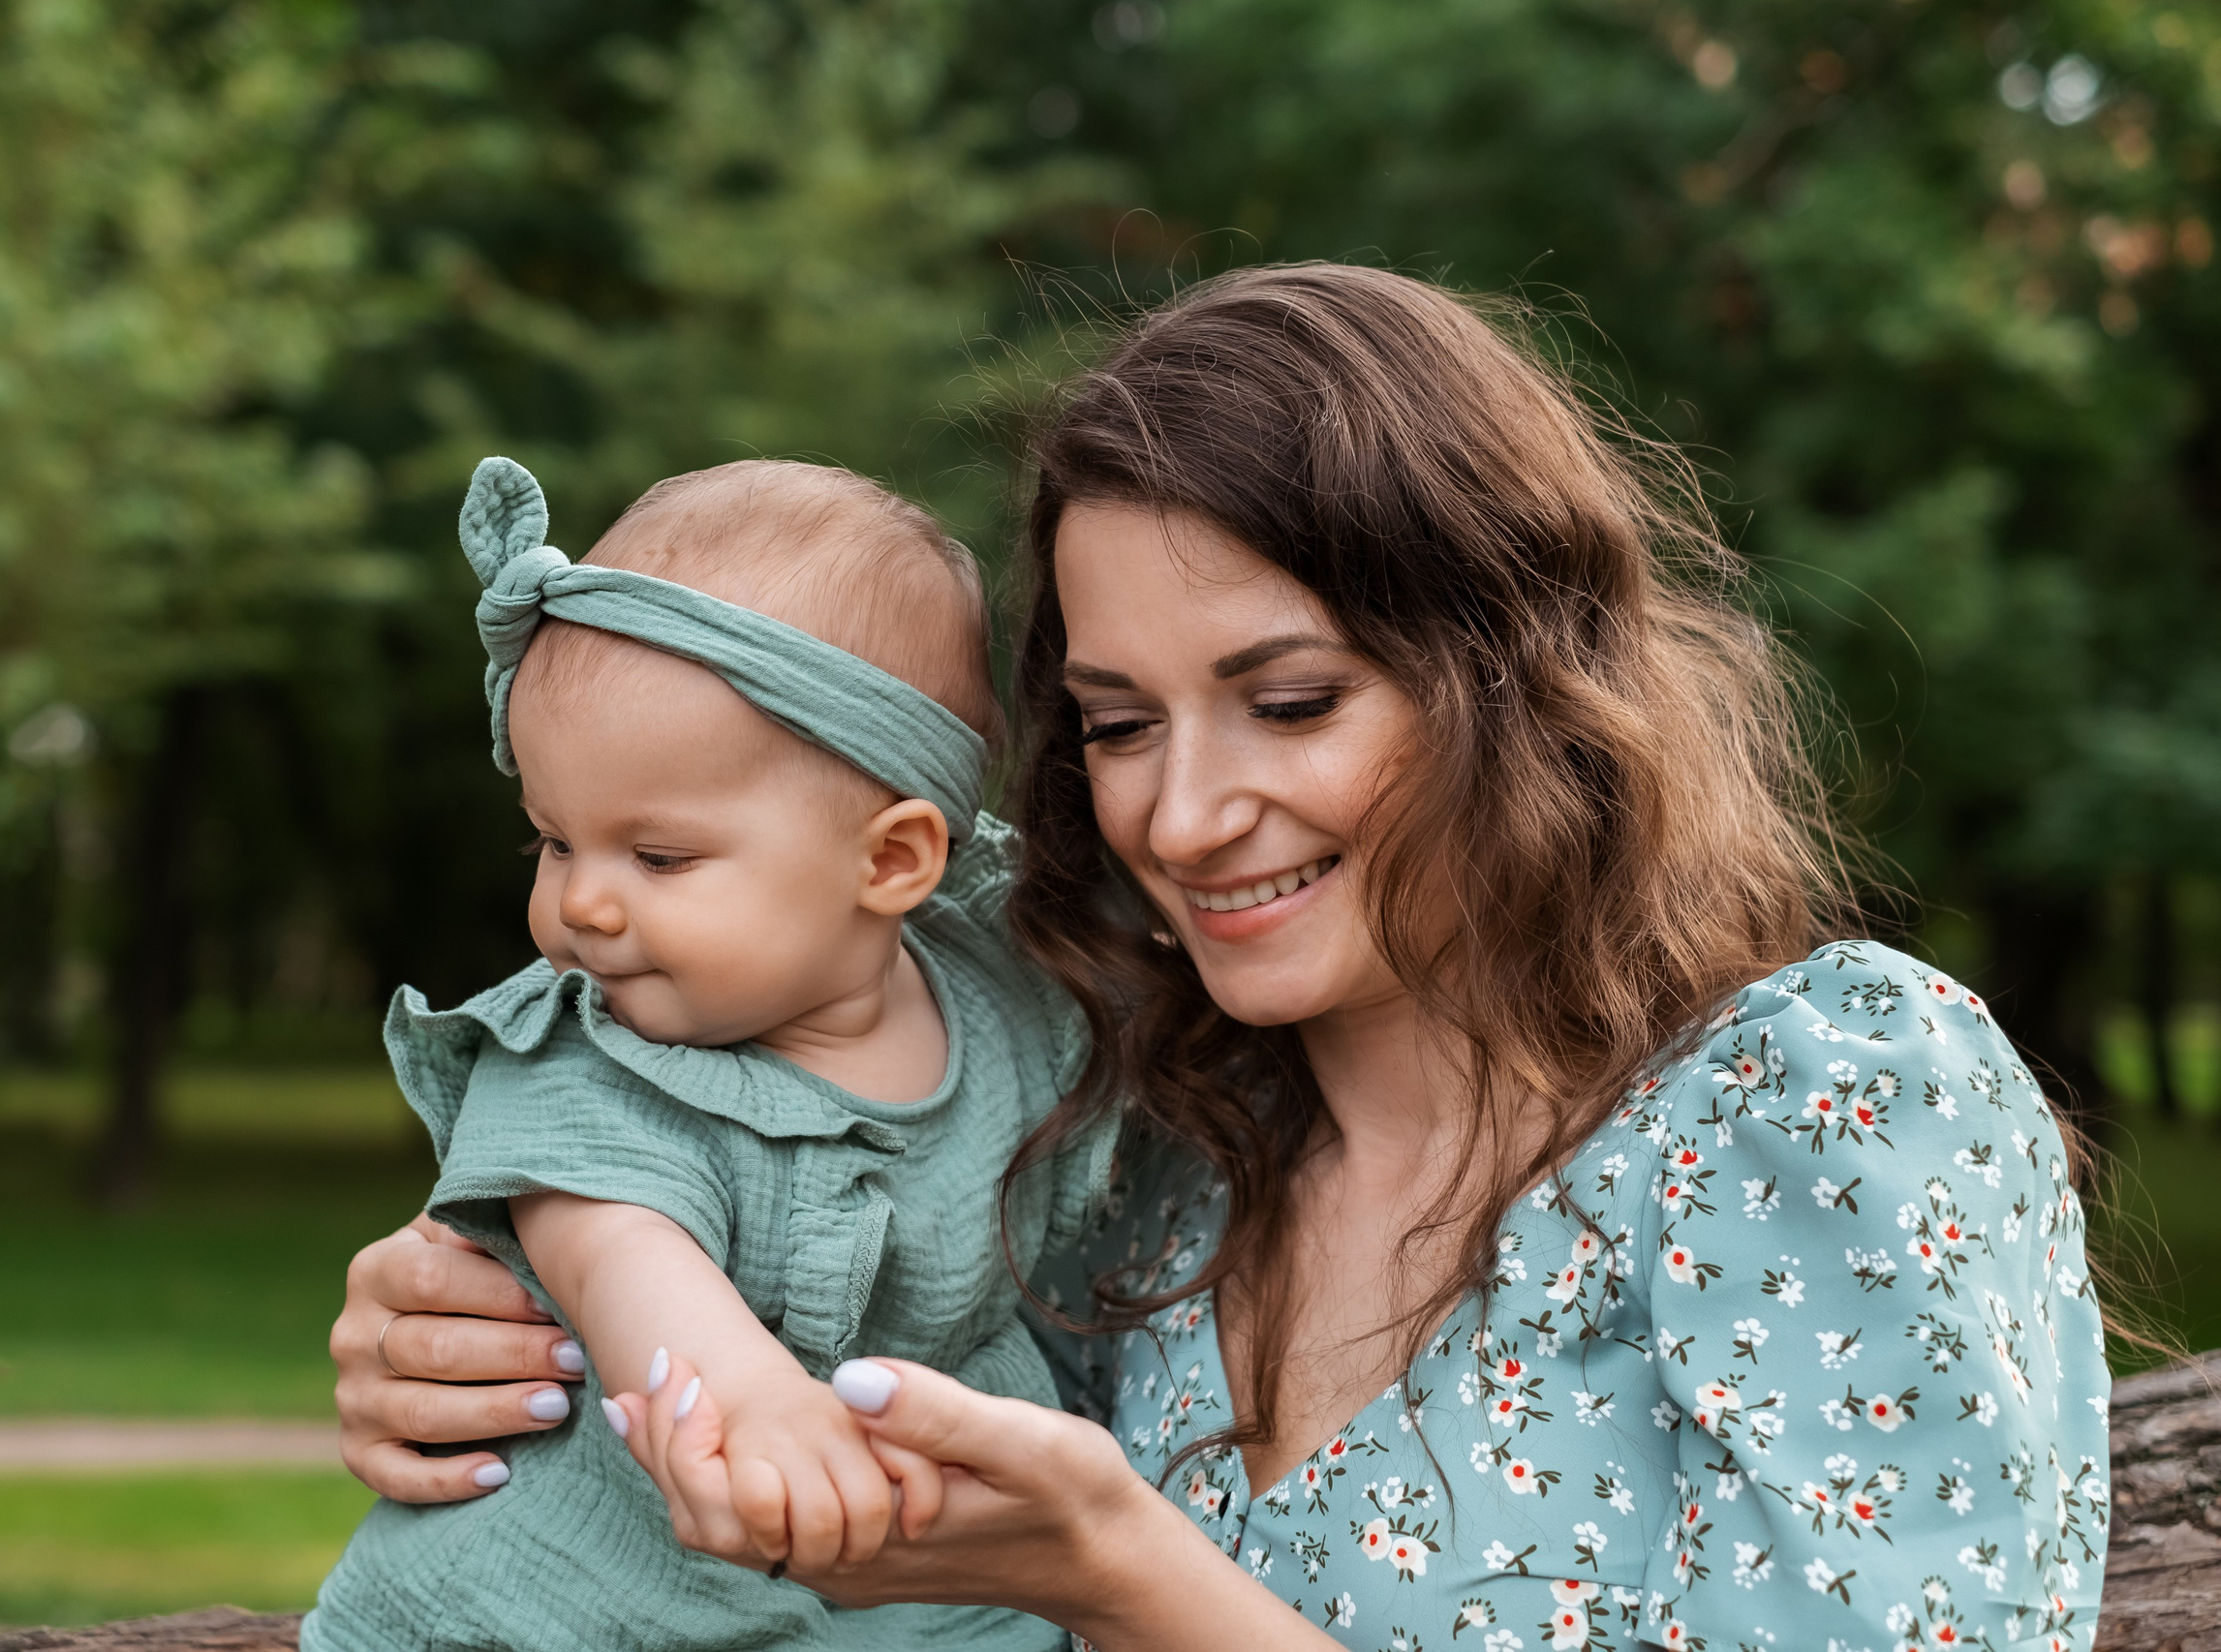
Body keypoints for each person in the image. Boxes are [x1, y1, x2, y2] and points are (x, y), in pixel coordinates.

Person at [326, 264, 2113, 1652]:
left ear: (1520, 671)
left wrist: (1128, 1578)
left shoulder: (1813, 1109)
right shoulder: (1148, 1182)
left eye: (1289, 700)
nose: (1182, 815)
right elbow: (769, 1236)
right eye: (1115, 724)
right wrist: (483, 1306)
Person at [303, 455, 1109, 1652]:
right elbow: (623, 1256)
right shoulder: (588, 1054)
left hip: (925, 1587)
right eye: (554, 841)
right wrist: (753, 1405)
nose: (585, 906)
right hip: (578, 1599)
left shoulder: (1008, 996)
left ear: (892, 862)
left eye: (658, 858)